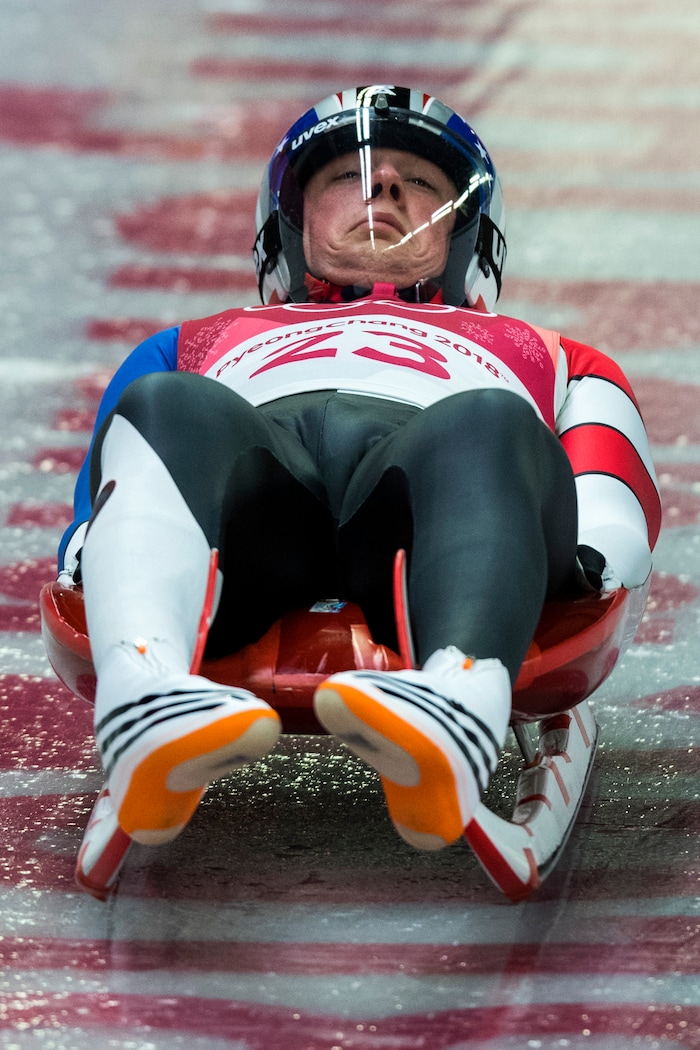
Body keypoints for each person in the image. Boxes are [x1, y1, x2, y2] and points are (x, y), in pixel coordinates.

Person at [56, 85, 661, 852]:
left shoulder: (553, 352)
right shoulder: (188, 345)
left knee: (488, 418)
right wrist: (87, 554)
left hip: (435, 510)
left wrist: (588, 563)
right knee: (168, 403)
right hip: (259, 514)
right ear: (292, 223)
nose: (382, 187)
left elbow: (611, 487)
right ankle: (144, 692)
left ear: (470, 235)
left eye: (424, 184)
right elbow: (107, 488)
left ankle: (458, 705)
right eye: (346, 177)